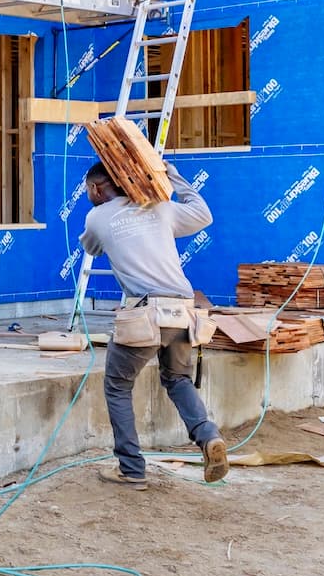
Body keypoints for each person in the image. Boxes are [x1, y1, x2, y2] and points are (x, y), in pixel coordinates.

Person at [80, 160, 229, 490]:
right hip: (183, 309)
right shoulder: (160, 207)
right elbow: (203, 214)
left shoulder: (97, 217)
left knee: (118, 385)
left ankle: (132, 469)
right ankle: (208, 436)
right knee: (177, 378)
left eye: (88, 190)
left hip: (146, 311)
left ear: (96, 188)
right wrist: (171, 176)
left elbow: (90, 246)